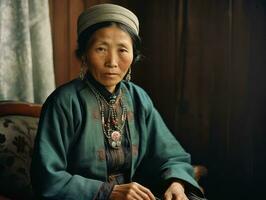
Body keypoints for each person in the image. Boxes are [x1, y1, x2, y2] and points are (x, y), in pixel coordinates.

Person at [31, 3, 206, 200]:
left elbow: (171, 156)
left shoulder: (138, 98)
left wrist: (176, 182)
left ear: (134, 55)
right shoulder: (64, 102)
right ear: (84, 55)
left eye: (122, 50)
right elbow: (46, 178)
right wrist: (108, 192)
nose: (112, 62)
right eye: (101, 49)